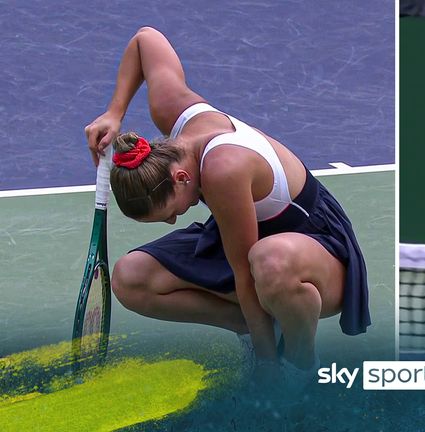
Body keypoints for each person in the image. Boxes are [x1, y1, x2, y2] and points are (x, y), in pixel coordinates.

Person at [84, 27, 370, 369]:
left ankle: (300, 366)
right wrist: (114, 112)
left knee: (268, 262)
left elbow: (245, 276)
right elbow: (145, 40)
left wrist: (266, 376)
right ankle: (252, 329)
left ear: (180, 178)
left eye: (170, 212)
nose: (175, 221)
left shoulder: (223, 169)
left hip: (315, 245)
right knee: (130, 277)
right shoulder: (172, 117)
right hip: (243, 237)